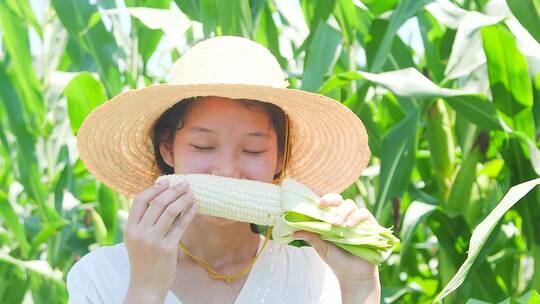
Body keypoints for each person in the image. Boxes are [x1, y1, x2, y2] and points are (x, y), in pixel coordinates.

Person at [68, 36, 379, 303]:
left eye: (252, 150)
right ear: (166, 147)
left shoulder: (317, 277)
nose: (227, 170)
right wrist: (146, 289)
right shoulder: (99, 276)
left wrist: (360, 287)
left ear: (280, 160)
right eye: (203, 146)